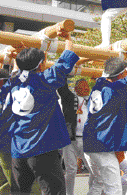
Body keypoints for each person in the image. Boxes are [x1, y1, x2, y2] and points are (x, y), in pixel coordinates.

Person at [8, 30, 79, 194]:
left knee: (20, 191)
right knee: (54, 190)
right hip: (42, 148)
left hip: (18, 149)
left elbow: (17, 69)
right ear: (40, 65)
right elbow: (67, 57)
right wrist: (68, 38)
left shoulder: (13, 83)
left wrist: (21, 54)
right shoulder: (45, 79)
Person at [83, 42, 127, 195]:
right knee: (114, 190)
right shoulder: (116, 89)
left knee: (98, 185)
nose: (126, 75)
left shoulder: (98, 85)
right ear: (120, 76)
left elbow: (110, 72)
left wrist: (119, 58)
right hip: (103, 145)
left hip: (91, 143)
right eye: (125, 73)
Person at [59, 78, 96, 195]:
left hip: (87, 140)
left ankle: (93, 191)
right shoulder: (69, 99)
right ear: (75, 89)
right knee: (71, 170)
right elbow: (62, 88)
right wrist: (68, 72)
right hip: (70, 140)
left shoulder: (92, 101)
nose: (86, 88)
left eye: (87, 86)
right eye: (82, 86)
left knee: (94, 170)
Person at [0, 68, 12, 194]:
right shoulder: (6, 93)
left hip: (6, 144)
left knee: (7, 181)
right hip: (6, 144)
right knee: (14, 181)